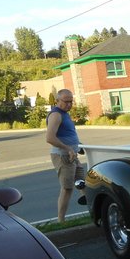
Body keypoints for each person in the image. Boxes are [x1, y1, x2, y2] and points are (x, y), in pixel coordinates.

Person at [46, 89, 85, 223]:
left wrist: (78, 146)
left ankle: (94, 212)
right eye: (66, 101)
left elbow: (68, 134)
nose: (69, 104)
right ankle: (60, 221)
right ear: (57, 101)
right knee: (67, 188)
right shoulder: (56, 115)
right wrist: (68, 148)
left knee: (82, 184)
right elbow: (50, 138)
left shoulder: (65, 114)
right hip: (62, 156)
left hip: (72, 155)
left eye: (71, 101)